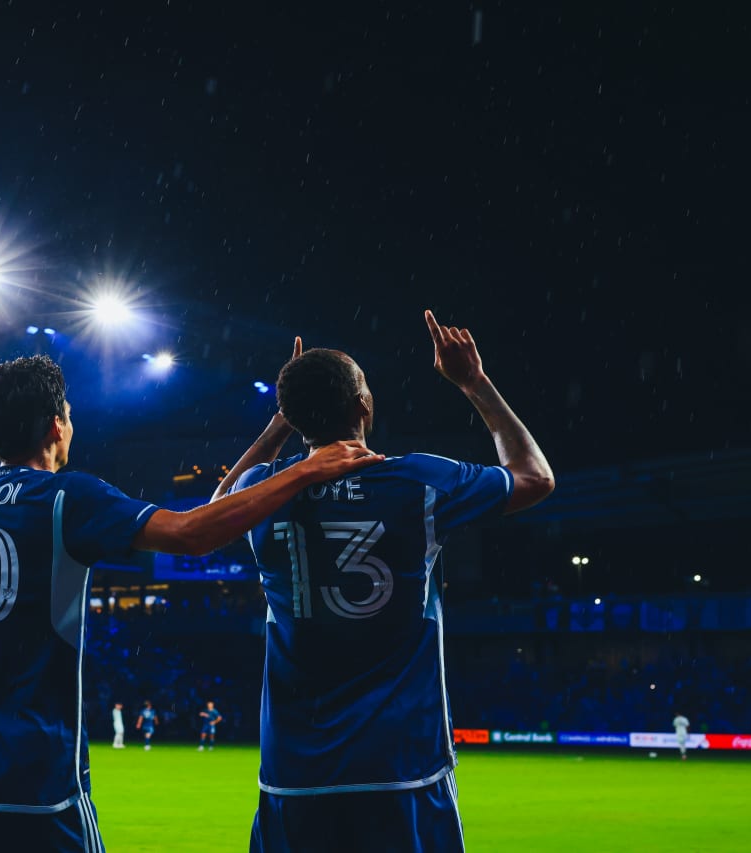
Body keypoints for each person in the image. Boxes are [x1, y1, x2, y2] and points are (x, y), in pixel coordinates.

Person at [0, 354, 381, 852]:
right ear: (56, 428)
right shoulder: (65, 498)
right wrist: (304, 470)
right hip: (30, 788)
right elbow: (193, 534)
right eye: (68, 415)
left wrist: (278, 428)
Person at [215, 312, 555, 853]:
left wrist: (283, 422)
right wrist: (475, 382)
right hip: (403, 768)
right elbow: (536, 477)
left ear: (296, 416)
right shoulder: (418, 481)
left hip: (295, 773)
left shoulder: (264, 492)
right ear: (363, 407)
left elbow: (217, 507)